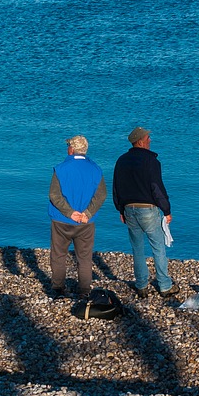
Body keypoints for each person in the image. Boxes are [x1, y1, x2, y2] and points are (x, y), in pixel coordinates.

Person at [112, 126, 178, 298]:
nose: (150, 140)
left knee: (137, 249)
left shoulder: (121, 160)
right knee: (158, 247)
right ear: (141, 141)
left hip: (129, 209)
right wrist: (166, 210)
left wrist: (120, 208)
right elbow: (156, 187)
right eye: (148, 137)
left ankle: (141, 286)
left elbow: (116, 187)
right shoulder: (151, 161)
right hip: (147, 209)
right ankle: (164, 286)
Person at [48, 134, 106, 298]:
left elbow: (54, 195)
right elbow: (101, 195)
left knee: (59, 255)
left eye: (68, 146)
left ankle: (58, 289)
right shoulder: (96, 169)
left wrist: (70, 212)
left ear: (72, 149)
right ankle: (84, 291)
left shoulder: (60, 168)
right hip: (86, 222)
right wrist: (87, 213)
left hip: (62, 220)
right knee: (85, 258)